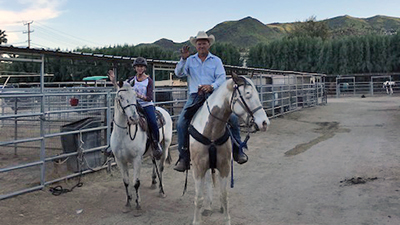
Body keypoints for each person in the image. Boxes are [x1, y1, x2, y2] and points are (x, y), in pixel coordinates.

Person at [173, 31, 248, 172]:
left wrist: (211, 86)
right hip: (195, 95)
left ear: (209, 44)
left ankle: (238, 150)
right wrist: (183, 59)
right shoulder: (189, 60)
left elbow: (221, 78)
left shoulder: (216, 60)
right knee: (181, 122)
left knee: (232, 119)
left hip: (213, 95)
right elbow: (179, 73)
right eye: (199, 43)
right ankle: (183, 157)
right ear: (196, 45)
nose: (201, 45)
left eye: (204, 43)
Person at [108, 57, 163, 160]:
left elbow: (150, 97)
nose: (139, 68)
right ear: (135, 68)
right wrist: (113, 81)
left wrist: (139, 95)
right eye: (138, 66)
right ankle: (112, 145)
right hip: (134, 105)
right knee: (115, 120)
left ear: (145, 68)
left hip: (147, 105)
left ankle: (156, 144)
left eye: (141, 66)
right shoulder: (131, 80)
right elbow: (121, 88)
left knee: (152, 122)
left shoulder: (149, 81)